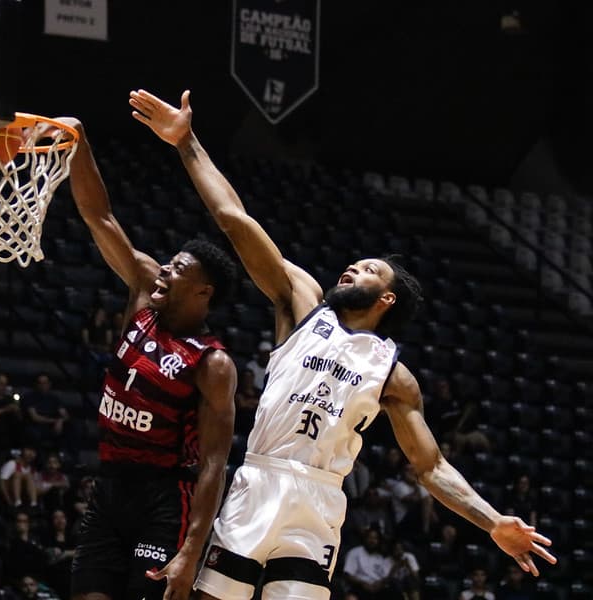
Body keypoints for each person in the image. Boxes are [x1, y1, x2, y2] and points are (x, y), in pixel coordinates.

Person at [129, 88, 557, 599]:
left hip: (319, 502)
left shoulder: (393, 374)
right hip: (261, 480)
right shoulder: (302, 304)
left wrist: (491, 523)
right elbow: (235, 220)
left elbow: (431, 466)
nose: (353, 266)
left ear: (388, 299)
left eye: (369, 269)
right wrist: (186, 142)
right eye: (354, 263)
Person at [58, 114, 238, 600]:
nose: (163, 272)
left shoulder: (211, 363)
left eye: (176, 269)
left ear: (203, 292)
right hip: (110, 487)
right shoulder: (142, 294)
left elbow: (214, 466)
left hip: (164, 497)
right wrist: (78, 140)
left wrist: (190, 551)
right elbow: (100, 216)